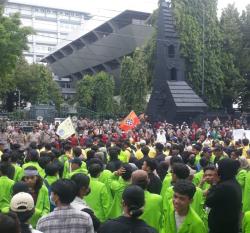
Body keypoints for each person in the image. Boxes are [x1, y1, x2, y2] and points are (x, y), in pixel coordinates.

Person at [205, 158, 242, 233]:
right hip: (231, 225)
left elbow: (208, 202)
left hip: (221, 227)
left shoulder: (224, 187)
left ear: (223, 169)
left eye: (218, 168)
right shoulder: (234, 183)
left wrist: (214, 183)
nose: (216, 171)